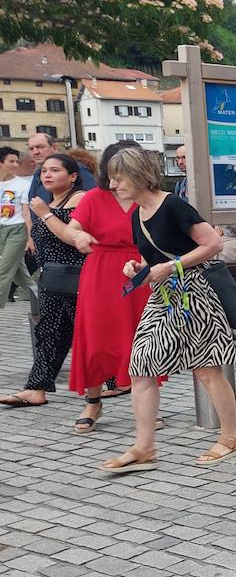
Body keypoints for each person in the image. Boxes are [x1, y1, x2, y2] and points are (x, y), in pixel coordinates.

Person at [98, 145, 236, 472]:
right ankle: (144, 446)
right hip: (163, 294)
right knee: (141, 366)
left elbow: (213, 244)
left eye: (118, 179)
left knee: (206, 367)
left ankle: (231, 435)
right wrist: (138, 267)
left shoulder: (173, 205)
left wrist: (174, 264)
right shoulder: (137, 214)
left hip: (194, 293)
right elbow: (154, 259)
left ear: (138, 176)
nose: (113, 186)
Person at [30, 142, 154, 432]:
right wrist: (80, 235)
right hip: (100, 272)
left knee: (139, 338)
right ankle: (93, 401)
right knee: (94, 337)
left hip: (138, 272)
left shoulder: (147, 198)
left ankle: (147, 405)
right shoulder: (95, 198)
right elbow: (73, 228)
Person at [1, 154, 88, 409]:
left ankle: (118, 379)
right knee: (49, 333)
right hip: (51, 277)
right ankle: (36, 388)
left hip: (75, 277)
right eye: (44, 172)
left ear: (72, 176)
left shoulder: (80, 198)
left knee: (87, 333)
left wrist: (45, 214)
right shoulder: (48, 202)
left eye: (55, 170)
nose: (46, 175)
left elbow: (73, 238)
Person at [0, 147, 36, 308]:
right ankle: (39, 300)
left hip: (17, 230)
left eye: (17, 161)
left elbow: (27, 213)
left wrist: (30, 237)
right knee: (20, 273)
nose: (15, 165)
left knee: (4, 271)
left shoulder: (23, 185)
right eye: (11, 161)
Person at [26, 132, 95, 202]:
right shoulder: (38, 173)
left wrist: (46, 212)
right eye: (31, 149)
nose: (35, 152)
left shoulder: (77, 169)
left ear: (54, 147)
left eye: (40, 147)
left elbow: (93, 200)